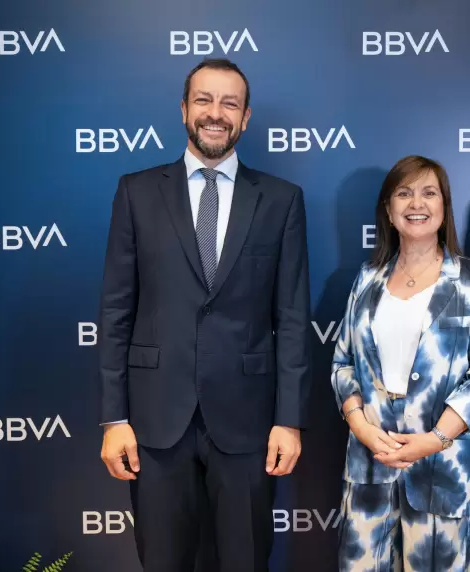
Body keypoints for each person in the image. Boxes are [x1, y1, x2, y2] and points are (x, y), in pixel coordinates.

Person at [97, 58, 311, 572]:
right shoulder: (136, 192)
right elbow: (115, 311)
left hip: (248, 424)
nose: (216, 113)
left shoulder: (281, 200)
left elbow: (293, 318)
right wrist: (113, 417)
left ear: (246, 117)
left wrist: (289, 420)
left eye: (229, 103)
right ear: (184, 109)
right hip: (154, 422)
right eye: (204, 100)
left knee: (244, 561)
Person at [332, 155, 470, 571]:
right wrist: (361, 428)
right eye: (404, 193)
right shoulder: (366, 279)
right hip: (369, 462)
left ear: (444, 207)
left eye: (429, 193)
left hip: (441, 468)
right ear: (389, 212)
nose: (417, 203)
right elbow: (342, 363)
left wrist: (436, 439)